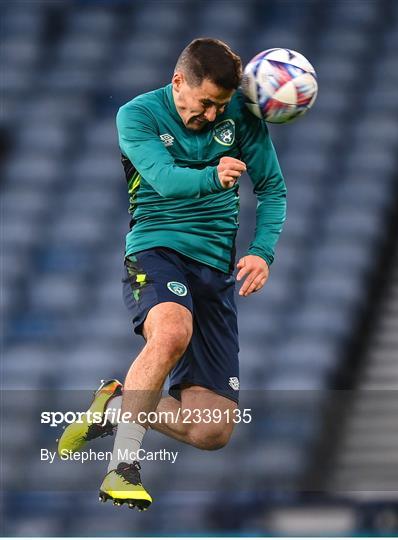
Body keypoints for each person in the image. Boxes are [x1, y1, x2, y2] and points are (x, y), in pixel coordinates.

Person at [58, 38, 286, 511]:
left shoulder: (241, 116)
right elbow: (162, 178)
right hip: (157, 250)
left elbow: (273, 190)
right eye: (206, 103)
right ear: (178, 82)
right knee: (171, 333)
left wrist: (263, 251)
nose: (212, 114)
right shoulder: (136, 116)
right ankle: (122, 468)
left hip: (215, 271)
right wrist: (212, 177)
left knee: (211, 429)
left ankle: (117, 404)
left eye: (221, 106)